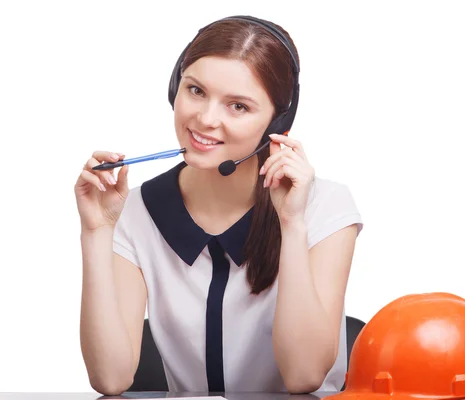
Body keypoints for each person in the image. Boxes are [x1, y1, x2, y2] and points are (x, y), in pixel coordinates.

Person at [74, 15, 363, 396]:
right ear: (174, 87)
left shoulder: (324, 206)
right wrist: (96, 232)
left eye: (238, 106)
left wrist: (291, 225)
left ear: (278, 122)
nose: (206, 119)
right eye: (195, 91)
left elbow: (304, 375)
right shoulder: (137, 209)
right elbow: (110, 379)